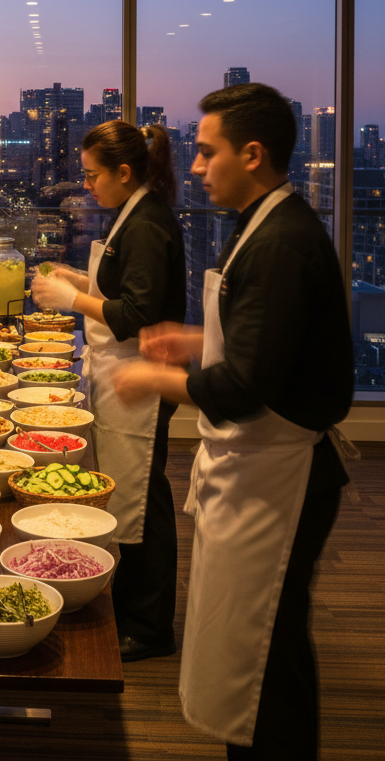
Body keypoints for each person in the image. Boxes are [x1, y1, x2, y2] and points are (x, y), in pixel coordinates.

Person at [112, 83, 355, 761]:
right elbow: (268, 341)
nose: (192, 167)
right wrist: (192, 341)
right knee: (255, 642)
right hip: (263, 469)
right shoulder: (266, 222)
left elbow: (247, 384)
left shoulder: (280, 240)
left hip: (285, 478)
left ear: (253, 154)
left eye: (206, 151)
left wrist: (154, 376)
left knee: (265, 650)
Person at [31, 120, 185, 663]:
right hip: (119, 370)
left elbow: (137, 314)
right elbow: (122, 290)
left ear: (124, 172)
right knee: (130, 493)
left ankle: (148, 626)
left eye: (94, 175)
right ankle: (136, 606)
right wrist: (80, 279)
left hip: (138, 372)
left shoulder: (146, 223)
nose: (87, 184)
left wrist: (70, 301)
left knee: (141, 499)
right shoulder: (132, 213)